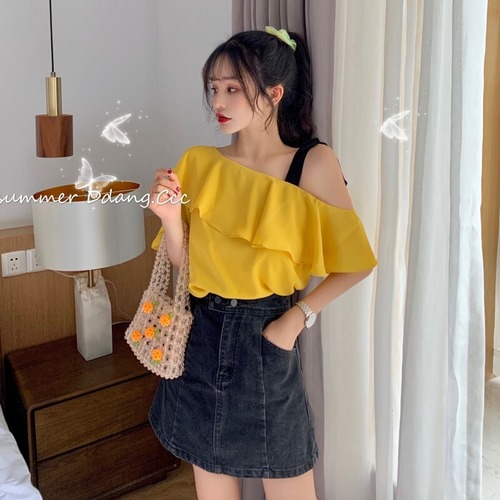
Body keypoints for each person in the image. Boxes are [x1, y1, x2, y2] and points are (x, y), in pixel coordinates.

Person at [147, 26, 377, 500]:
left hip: (265, 337)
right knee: (212, 484)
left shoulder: (312, 163)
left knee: (289, 478)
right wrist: (169, 219)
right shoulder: (198, 162)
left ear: (274, 94)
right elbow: (185, 265)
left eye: (233, 88)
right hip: (200, 335)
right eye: (214, 87)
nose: (218, 101)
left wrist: (296, 319)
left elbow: (358, 263)